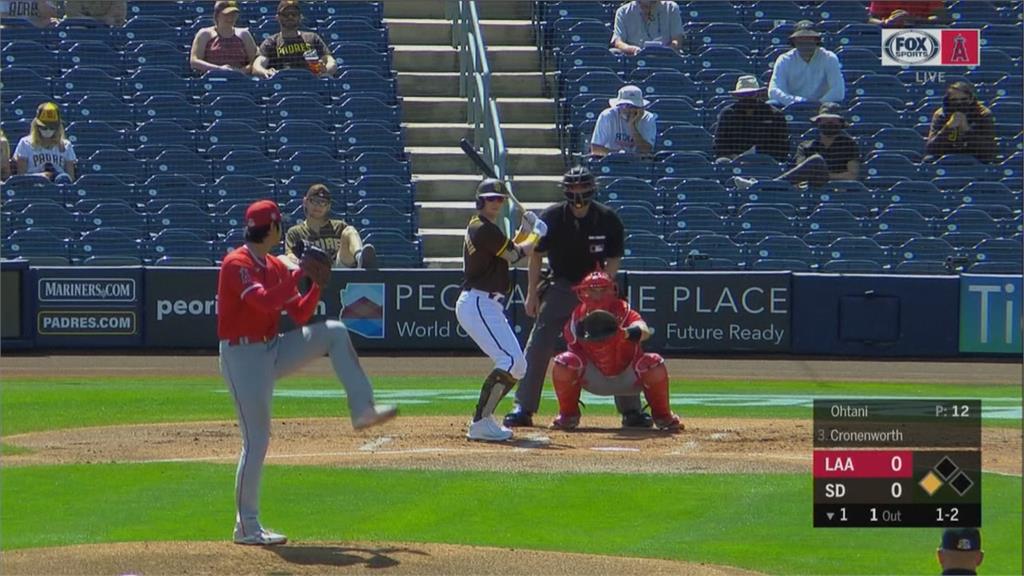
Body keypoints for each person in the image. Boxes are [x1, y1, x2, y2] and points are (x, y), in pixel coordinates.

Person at [218, 199, 397, 546]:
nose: (282, 229)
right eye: (279, 224)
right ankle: (246, 525)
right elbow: (265, 302)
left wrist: (315, 285)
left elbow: (300, 314)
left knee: (334, 331)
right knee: (256, 441)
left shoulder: (273, 264)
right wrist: (300, 272)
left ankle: (363, 409)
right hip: (242, 357)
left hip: (272, 347)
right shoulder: (236, 263)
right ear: (272, 228)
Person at [504, 166, 652, 429]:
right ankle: (523, 406)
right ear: (566, 191)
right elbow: (536, 255)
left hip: (598, 287)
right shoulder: (552, 217)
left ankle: (631, 410)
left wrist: (603, 286)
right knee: (539, 343)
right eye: (573, 189)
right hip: (562, 285)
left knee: (619, 341)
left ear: (592, 190)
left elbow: (614, 258)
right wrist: (531, 293)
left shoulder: (608, 219)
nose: (578, 195)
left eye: (583, 188)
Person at [456, 179, 546, 442]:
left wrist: (524, 230)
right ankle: (481, 421)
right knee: (510, 361)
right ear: (480, 200)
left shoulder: (485, 228)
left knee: (518, 365)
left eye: (499, 199)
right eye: (491, 198)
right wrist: (536, 234)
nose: (496, 202)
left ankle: (483, 420)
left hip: (487, 304)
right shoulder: (482, 228)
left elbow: (508, 250)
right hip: (478, 302)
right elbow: (516, 255)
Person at [551, 271, 681, 431]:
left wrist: (625, 333)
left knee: (653, 363)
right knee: (564, 362)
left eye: (603, 290)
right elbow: (573, 351)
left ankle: (663, 416)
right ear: (583, 292)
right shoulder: (577, 317)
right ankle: (568, 415)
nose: (598, 295)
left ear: (612, 290)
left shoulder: (624, 310)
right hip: (594, 378)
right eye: (592, 290)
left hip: (628, 376)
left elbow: (644, 331)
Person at [734, 102, 860, 190]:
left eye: (833, 120)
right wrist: (815, 176)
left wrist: (824, 176)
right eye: (825, 120)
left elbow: (852, 175)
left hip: (837, 189)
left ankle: (760, 186)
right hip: (811, 188)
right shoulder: (806, 146)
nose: (829, 123)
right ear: (818, 122)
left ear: (840, 123)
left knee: (816, 160)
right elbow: (800, 171)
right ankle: (764, 187)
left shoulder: (848, 144)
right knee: (815, 161)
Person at [284, 184, 377, 270]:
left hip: (338, 270)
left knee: (350, 230)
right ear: (305, 202)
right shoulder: (295, 232)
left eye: (323, 202)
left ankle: (361, 259)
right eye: (314, 201)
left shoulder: (340, 227)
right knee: (282, 258)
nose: (318, 206)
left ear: (328, 206)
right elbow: (290, 256)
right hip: (311, 271)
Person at [713, 75, 791, 163]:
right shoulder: (728, 114)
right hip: (734, 162)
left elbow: (782, 146)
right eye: (743, 95)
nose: (747, 98)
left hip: (766, 162)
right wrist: (735, 157)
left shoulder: (774, 114)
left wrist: (761, 156)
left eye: (751, 94)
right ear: (737, 96)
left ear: (758, 94)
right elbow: (719, 144)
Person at [768, 20, 845, 107]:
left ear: (816, 40)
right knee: (771, 104)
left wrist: (818, 104)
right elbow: (774, 91)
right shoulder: (784, 59)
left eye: (809, 39)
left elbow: (838, 91)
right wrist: (798, 102)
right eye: (801, 39)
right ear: (794, 41)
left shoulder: (829, 58)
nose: (805, 43)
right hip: (791, 107)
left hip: (822, 108)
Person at [251, 0, 336, 79]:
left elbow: (331, 61)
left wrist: (325, 71)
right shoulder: (271, 42)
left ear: (300, 17)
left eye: (294, 14)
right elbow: (257, 66)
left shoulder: (313, 38)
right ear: (277, 17)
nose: (290, 16)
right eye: (285, 14)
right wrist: (265, 71)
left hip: (309, 83)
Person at [926, 81, 998, 164]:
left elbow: (989, 149)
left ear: (971, 99)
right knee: (928, 160)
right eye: (954, 100)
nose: (959, 103)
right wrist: (948, 127)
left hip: (974, 154)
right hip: (946, 153)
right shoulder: (940, 115)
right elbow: (931, 148)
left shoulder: (983, 114)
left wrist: (966, 130)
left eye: (963, 99)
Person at [190, 0, 260, 76]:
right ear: (217, 15)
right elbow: (194, 61)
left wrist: (239, 72)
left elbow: (255, 61)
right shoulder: (205, 34)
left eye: (234, 14)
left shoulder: (244, 34)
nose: (231, 18)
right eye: (226, 14)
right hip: (212, 78)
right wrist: (219, 69)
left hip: (239, 79)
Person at [13, 102, 76, 184]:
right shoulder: (25, 143)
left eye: (52, 127)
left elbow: (70, 177)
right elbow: (21, 176)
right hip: (32, 186)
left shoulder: (66, 145)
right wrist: (40, 177)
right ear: (36, 126)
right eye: (44, 127)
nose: (48, 130)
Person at [590, 85, 657, 157]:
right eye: (625, 106)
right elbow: (595, 149)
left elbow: (647, 150)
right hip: (610, 160)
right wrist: (620, 155)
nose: (628, 110)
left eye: (633, 106)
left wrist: (632, 126)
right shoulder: (607, 115)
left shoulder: (648, 118)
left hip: (638, 162)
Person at [611, 0, 686, 55]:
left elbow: (677, 40)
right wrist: (632, 49)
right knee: (613, 52)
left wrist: (665, 51)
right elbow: (618, 42)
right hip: (634, 58)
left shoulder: (671, 8)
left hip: (665, 58)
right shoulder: (622, 12)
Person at [868, 1, 949, 27]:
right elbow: (870, 19)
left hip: (924, 36)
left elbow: (942, 18)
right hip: (886, 37)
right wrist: (886, 22)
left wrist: (914, 20)